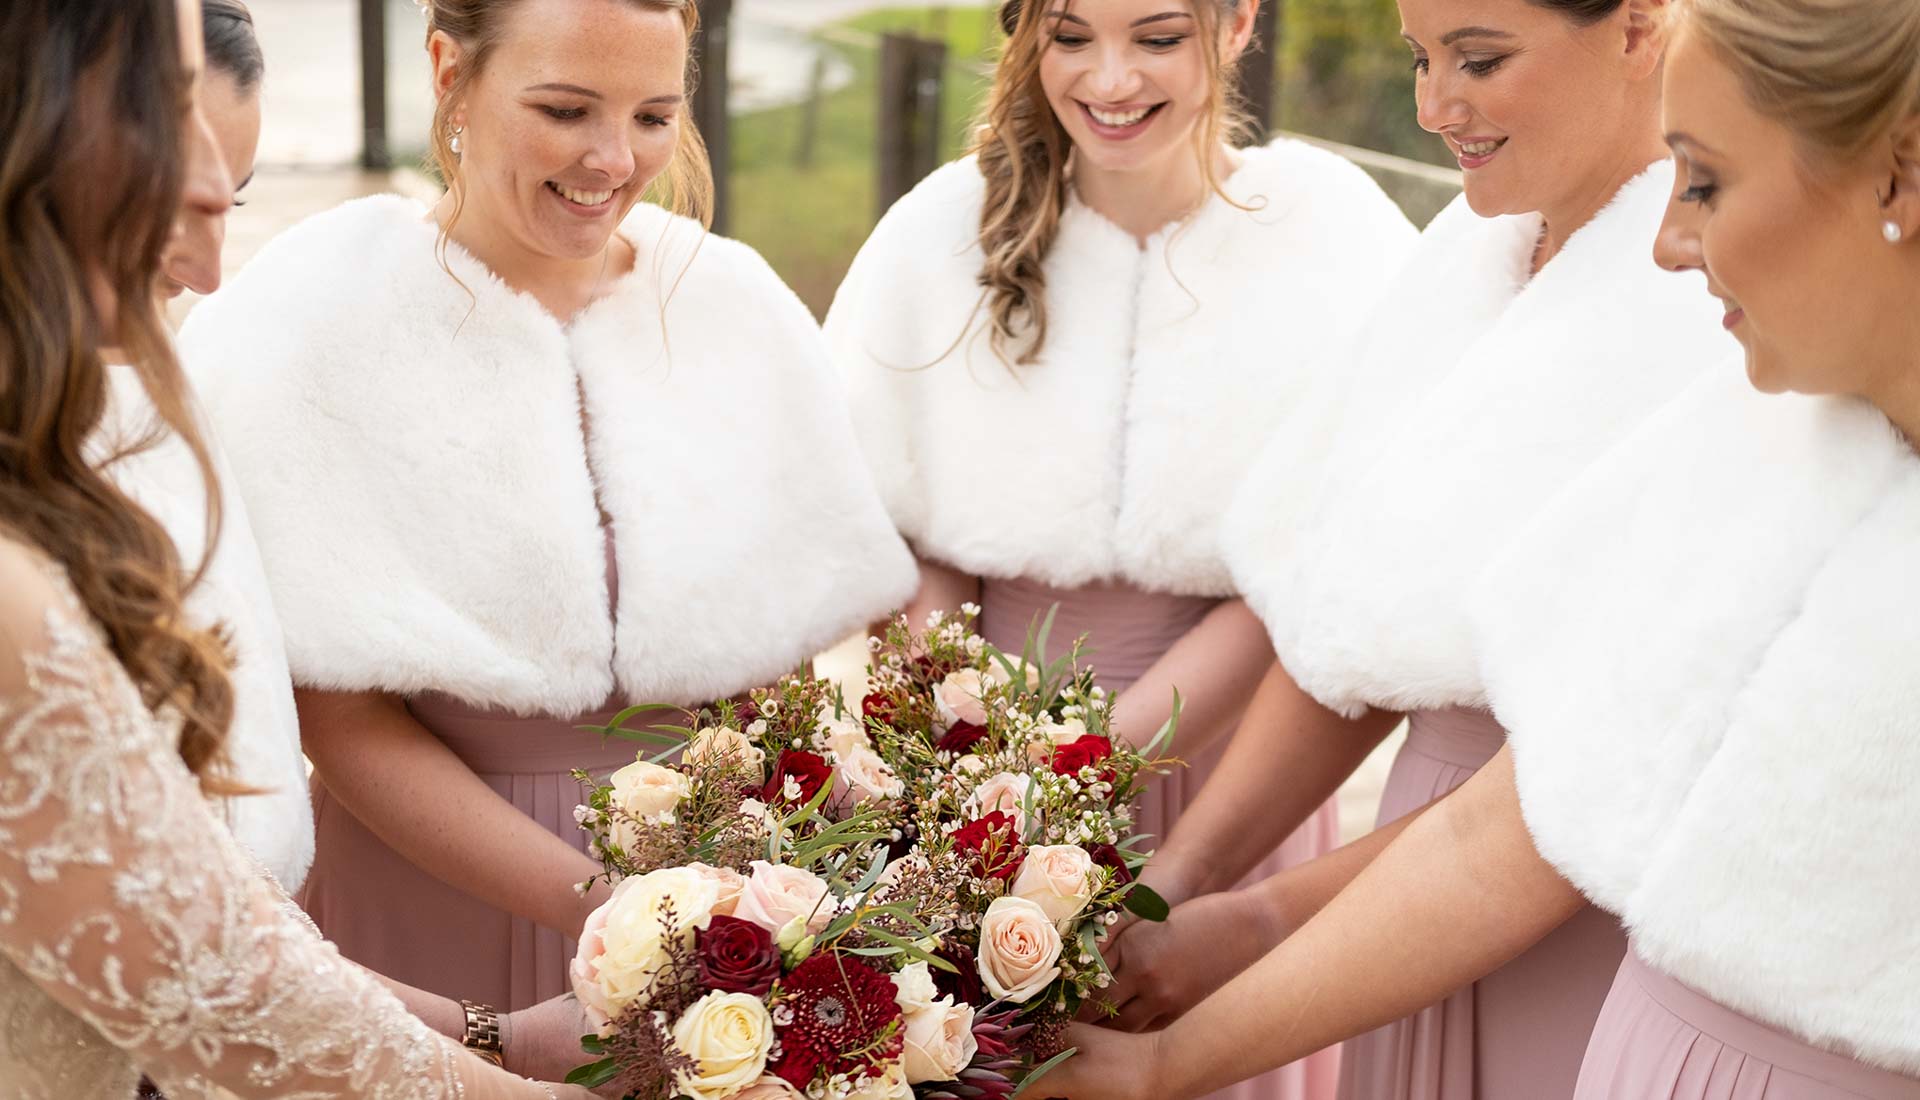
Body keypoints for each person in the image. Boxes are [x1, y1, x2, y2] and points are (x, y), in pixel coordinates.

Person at [1040, 0, 1920, 1096]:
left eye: (1706, 180)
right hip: (1430, 902)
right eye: (1418, 58)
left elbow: (1555, 815)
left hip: (1560, 955)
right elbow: (1363, 640)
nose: (1670, 243)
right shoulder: (1759, 420)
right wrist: (1191, 900)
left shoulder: (1734, 360)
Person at [181, 0, 917, 1014]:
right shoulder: (320, 313)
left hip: (720, 942)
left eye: (654, 116)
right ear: (450, 72)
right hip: (426, 903)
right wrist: (611, 910)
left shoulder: (733, 306)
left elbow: (775, 674)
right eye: (567, 109)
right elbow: (335, 710)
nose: (613, 159)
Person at [0, 1, 590, 1095]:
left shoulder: (134, 423)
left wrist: (497, 1033)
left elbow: (196, 921)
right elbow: (213, 984)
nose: (209, 257)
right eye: (165, 118)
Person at [826, 4, 1415, 1088]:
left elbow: (1318, 566)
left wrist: (1094, 755)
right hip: (971, 782)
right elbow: (901, 500)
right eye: (1070, 35)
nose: (1109, 79)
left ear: (1238, 23)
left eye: (1156, 38)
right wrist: (966, 719)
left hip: (1232, 773)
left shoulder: (1337, 238)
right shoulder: (941, 226)